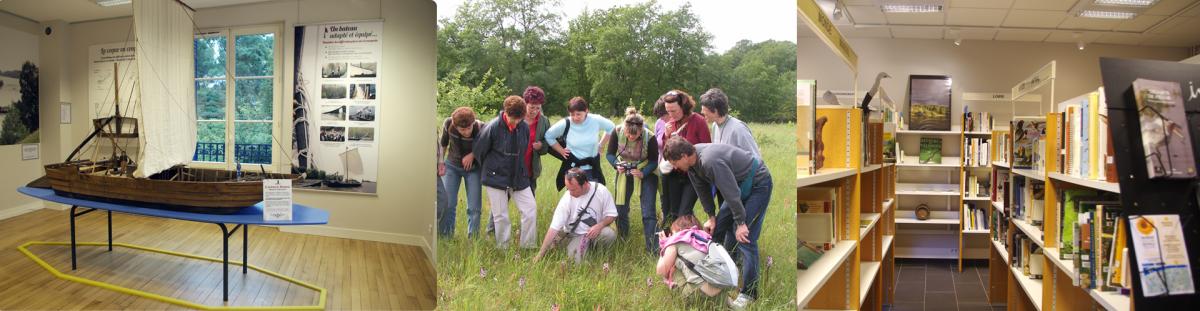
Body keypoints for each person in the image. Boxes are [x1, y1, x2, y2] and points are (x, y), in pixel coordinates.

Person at [662, 137, 772, 310]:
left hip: (758, 182)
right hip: (738, 186)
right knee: (718, 229)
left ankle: (749, 293)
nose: (675, 167)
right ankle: (723, 277)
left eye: (675, 162)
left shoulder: (709, 161)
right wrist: (711, 216)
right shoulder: (692, 165)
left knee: (744, 236)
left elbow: (731, 193)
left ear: (684, 155)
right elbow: (702, 190)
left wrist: (741, 222)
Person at [474, 96, 537, 248]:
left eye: (519, 120)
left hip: (519, 176)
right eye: (512, 119)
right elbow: (479, 151)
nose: (515, 123)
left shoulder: (524, 127)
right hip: (495, 177)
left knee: (530, 209)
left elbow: (523, 150)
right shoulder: (492, 127)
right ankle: (503, 247)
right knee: (501, 216)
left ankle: (528, 246)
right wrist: (495, 167)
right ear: (505, 113)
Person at [533, 168, 618, 263]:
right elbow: (554, 228)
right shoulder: (567, 199)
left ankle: (599, 254)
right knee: (575, 262)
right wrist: (540, 254)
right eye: (568, 189)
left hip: (596, 231)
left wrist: (600, 225)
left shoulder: (601, 191)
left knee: (609, 234)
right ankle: (576, 248)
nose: (570, 193)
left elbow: (612, 215)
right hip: (576, 235)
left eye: (573, 189)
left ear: (585, 184)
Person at [605, 107, 659, 251]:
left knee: (648, 212)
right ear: (624, 129)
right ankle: (622, 240)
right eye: (628, 135)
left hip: (646, 170)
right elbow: (609, 154)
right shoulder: (616, 132)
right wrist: (617, 165)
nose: (631, 138)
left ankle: (653, 248)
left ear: (641, 130)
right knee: (620, 208)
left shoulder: (651, 137)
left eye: (635, 136)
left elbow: (654, 160)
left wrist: (643, 173)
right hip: (624, 170)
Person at [658, 90, 710, 220]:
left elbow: (707, 150)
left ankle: (695, 237)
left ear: (683, 106)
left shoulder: (699, 121)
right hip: (673, 175)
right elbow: (667, 153)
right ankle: (675, 238)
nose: (671, 114)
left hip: (693, 175)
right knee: (672, 213)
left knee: (684, 213)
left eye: (674, 111)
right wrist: (667, 136)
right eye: (668, 111)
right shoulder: (671, 123)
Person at [544, 96, 615, 190]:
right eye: (572, 114)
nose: (575, 117)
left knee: (593, 199)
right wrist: (561, 150)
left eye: (578, 114)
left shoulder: (595, 120)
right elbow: (549, 136)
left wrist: (601, 145)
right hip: (573, 169)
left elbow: (611, 127)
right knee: (575, 199)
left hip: (592, 168)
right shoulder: (566, 123)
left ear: (586, 111)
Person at [655, 215, 731, 298]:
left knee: (672, 265)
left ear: (678, 230)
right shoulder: (705, 238)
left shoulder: (676, 240)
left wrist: (664, 245)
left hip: (699, 294)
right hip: (722, 291)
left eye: (672, 233)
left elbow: (660, 271)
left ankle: (683, 298)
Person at [439, 107, 485, 237]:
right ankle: (446, 236)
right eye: (462, 130)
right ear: (455, 125)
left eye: (469, 128)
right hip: (452, 167)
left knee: (474, 208)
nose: (466, 132)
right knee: (448, 204)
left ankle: (473, 238)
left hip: (474, 170)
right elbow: (443, 144)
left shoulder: (480, 127)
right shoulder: (448, 123)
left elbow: (487, 145)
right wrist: (440, 162)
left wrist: (473, 155)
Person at [699, 88, 761, 158]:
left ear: (715, 110)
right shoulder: (715, 126)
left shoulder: (738, 129)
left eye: (704, 108)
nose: (701, 112)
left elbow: (755, 157)